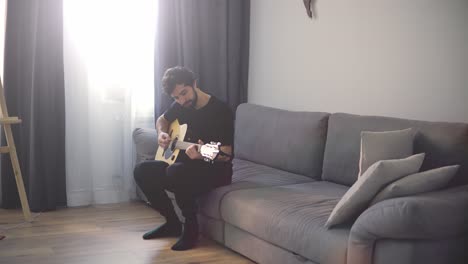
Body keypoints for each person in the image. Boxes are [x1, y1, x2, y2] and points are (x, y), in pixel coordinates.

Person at [133, 66, 234, 251]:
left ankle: (191, 228)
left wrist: (203, 152)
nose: (181, 100)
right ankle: (172, 223)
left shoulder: (220, 110)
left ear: (194, 84)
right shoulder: (180, 105)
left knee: (176, 171)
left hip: (216, 170)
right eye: (176, 97)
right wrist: (161, 133)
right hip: (185, 166)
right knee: (142, 170)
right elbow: (162, 119)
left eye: (184, 93)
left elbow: (227, 154)